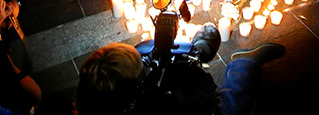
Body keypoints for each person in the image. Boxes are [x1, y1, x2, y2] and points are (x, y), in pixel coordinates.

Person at [76, 36, 285, 115]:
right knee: (230, 105)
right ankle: (245, 63)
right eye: (142, 65)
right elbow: (201, 102)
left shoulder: (91, 102)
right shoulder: (159, 104)